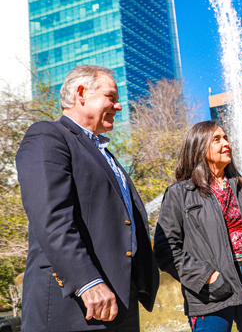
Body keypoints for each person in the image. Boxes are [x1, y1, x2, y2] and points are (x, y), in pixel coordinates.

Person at [16, 65, 159, 331]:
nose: (118, 106)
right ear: (81, 93)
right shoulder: (47, 136)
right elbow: (51, 217)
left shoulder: (104, 152)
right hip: (74, 301)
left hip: (118, 297)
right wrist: (87, 281)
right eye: (111, 97)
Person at [153, 121, 242, 332]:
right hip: (210, 290)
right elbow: (166, 249)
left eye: (226, 138)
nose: (226, 143)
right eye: (217, 139)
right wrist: (208, 278)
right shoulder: (179, 193)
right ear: (199, 147)